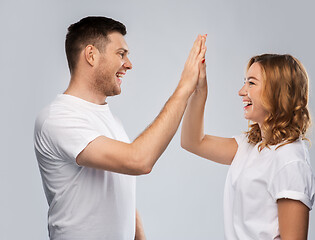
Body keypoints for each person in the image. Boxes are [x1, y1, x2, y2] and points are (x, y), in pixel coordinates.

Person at [34, 16, 206, 240]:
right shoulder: (58, 118)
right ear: (91, 55)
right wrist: (185, 86)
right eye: (121, 54)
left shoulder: (112, 121)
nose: (129, 64)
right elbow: (138, 160)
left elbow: (120, 196)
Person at [181, 53, 315, 239]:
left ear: (277, 91)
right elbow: (191, 141)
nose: (242, 91)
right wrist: (199, 89)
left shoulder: (289, 161)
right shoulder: (250, 146)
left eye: (251, 83)